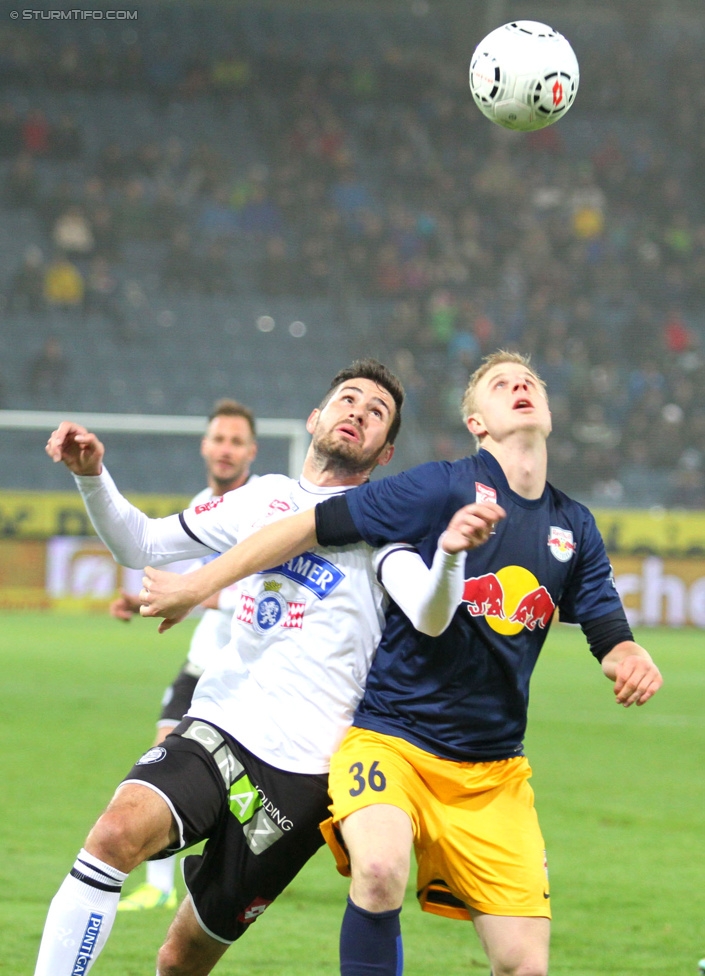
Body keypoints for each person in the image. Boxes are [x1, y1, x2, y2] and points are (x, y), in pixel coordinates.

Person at [139, 350, 663, 976]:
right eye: (501, 384)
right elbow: (309, 525)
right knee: (381, 870)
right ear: (477, 421)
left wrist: (630, 657)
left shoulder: (573, 525)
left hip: (493, 773)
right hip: (391, 741)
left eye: (530, 382)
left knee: (525, 966)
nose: (520, 386)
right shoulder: (439, 486)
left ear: (547, 412)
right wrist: (199, 585)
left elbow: (609, 632)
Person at [37, 358, 501, 976]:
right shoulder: (262, 498)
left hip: (303, 775)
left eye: (376, 412)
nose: (358, 411)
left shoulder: (384, 522)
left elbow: (430, 612)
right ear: (315, 417)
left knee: (180, 960)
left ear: (385, 452)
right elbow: (141, 545)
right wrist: (93, 476)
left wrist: (448, 555)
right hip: (218, 726)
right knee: (115, 834)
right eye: (348, 398)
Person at [110, 397, 258, 912]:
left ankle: (243, 864)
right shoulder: (202, 504)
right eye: (219, 438)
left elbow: (255, 595)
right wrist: (144, 598)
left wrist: (193, 594)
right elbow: (187, 582)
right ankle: (160, 885)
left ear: (252, 451)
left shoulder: (267, 511)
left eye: (236, 441)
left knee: (244, 785)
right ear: (205, 445)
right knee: (160, 757)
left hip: (248, 670)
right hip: (203, 661)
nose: (225, 449)